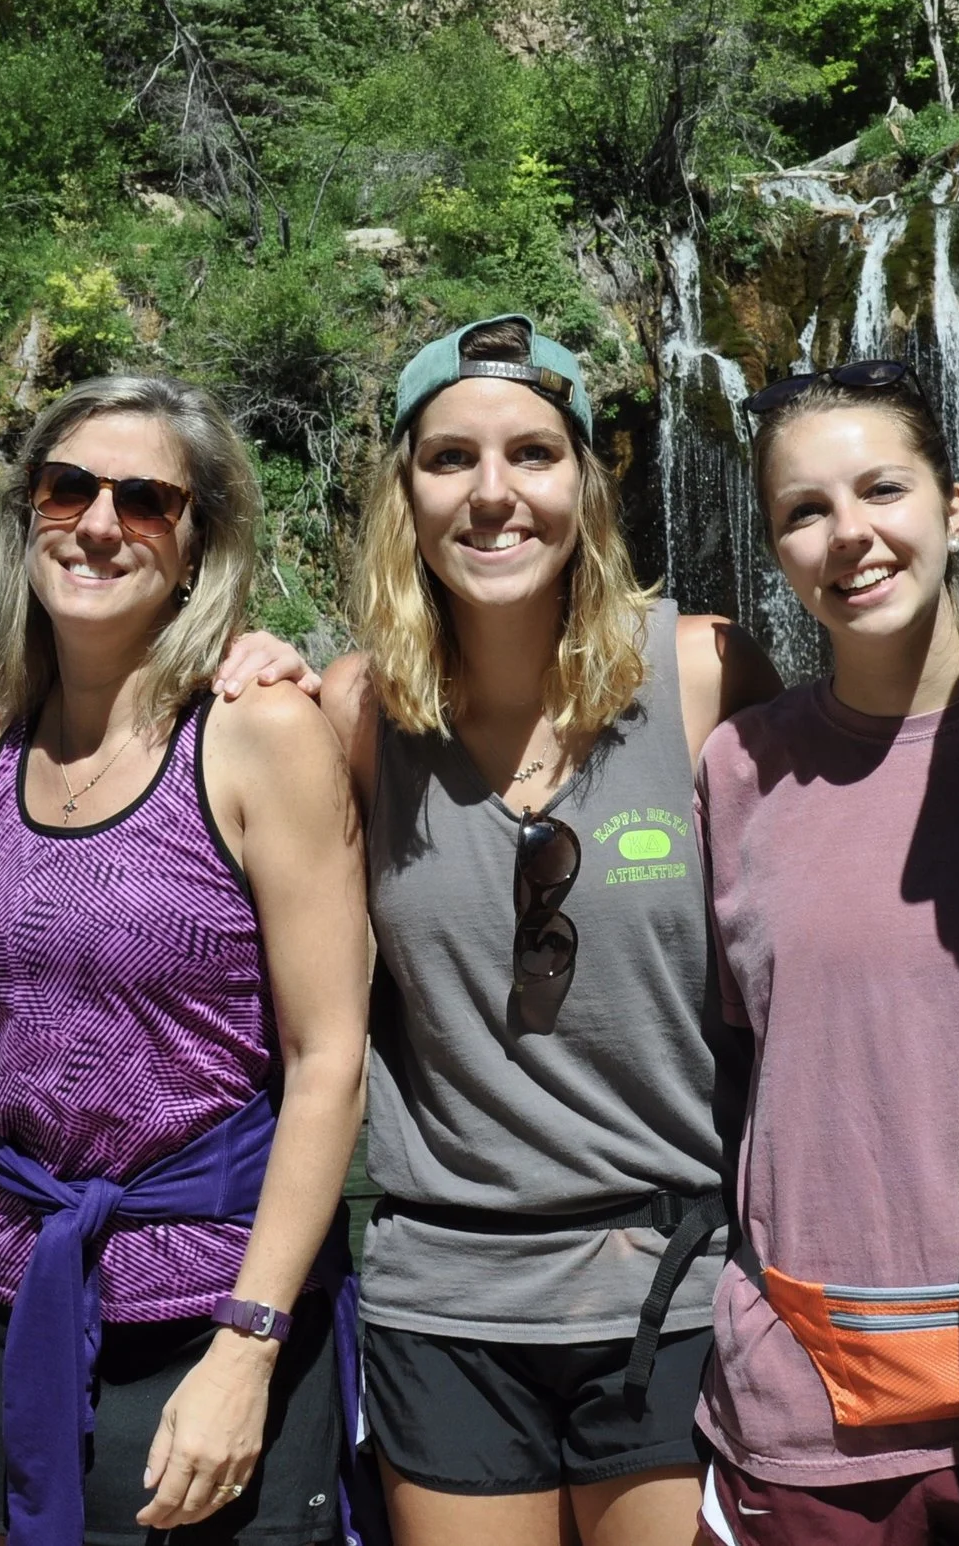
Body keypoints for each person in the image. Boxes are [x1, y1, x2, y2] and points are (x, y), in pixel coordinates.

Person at [318, 314, 778, 1546]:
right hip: (447, 1296)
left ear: (585, 481)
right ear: (403, 496)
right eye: (450, 459)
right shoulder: (355, 713)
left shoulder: (702, 675)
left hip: (672, 1284)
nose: (493, 493)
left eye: (532, 453)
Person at [0, 374, 371, 1546]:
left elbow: (329, 1056)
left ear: (196, 546)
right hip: (7, 1287)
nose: (96, 523)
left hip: (208, 1312)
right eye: (67, 487)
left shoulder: (255, 733)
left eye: (144, 499)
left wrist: (250, 1340)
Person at [690, 364, 959, 1546]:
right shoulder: (736, 770)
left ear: (954, 504)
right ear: (778, 551)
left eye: (880, 488)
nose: (850, 536)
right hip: (808, 1414)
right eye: (804, 510)